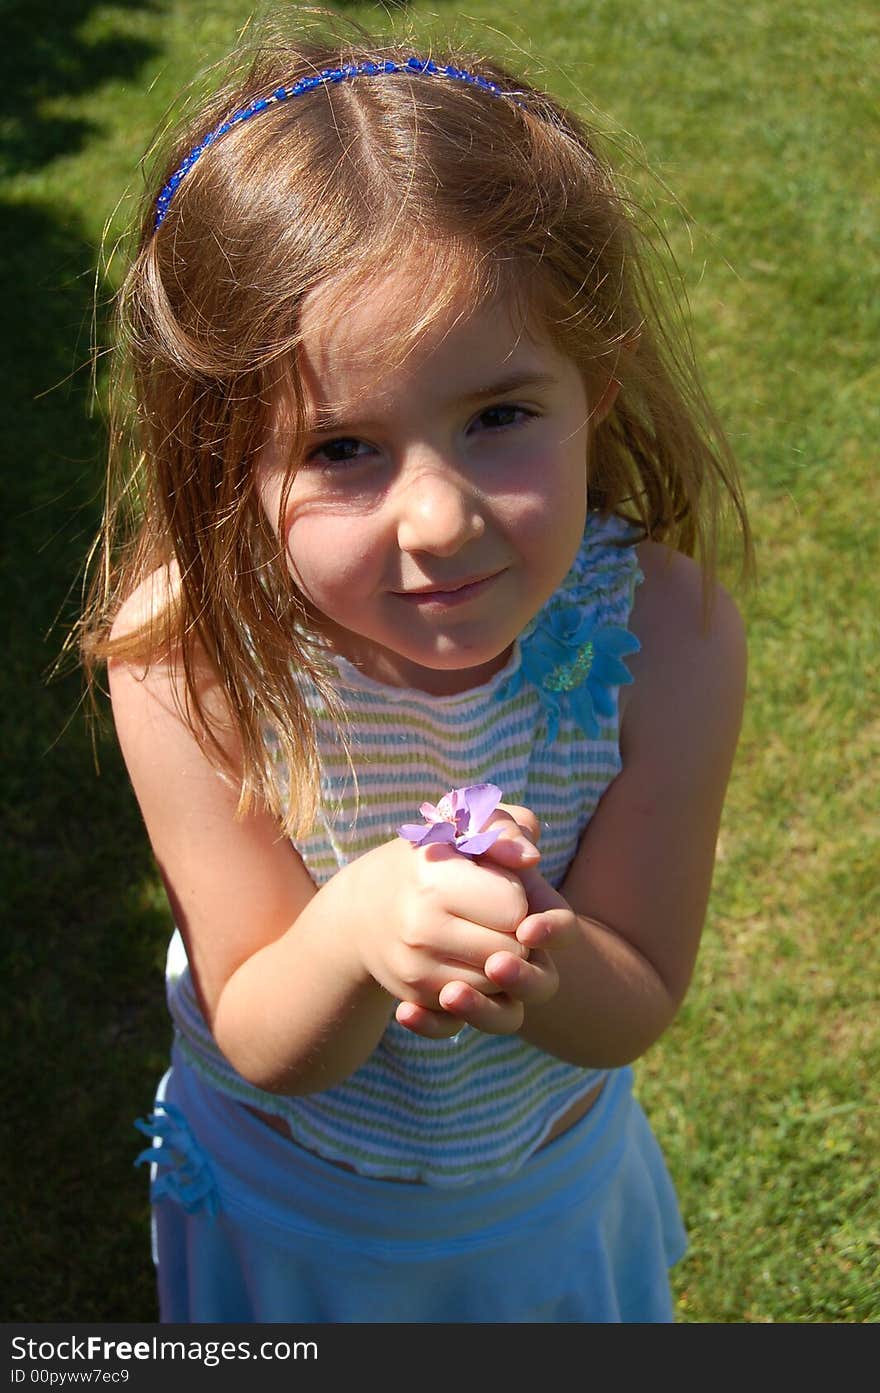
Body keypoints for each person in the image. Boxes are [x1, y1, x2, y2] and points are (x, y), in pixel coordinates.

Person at [81, 24, 751, 1324]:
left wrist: (533, 966)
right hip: (304, 1215)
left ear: (593, 384)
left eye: (498, 415)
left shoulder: (670, 634)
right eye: (341, 447)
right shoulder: (188, 658)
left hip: (534, 1198)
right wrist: (354, 926)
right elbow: (269, 1041)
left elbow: (640, 994)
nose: (437, 521)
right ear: (229, 456)